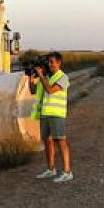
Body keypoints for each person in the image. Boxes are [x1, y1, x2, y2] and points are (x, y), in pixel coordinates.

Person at [30, 52, 72, 182]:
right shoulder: (47, 77)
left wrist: (41, 75)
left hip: (57, 114)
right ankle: (50, 169)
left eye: (52, 62)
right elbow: (33, 90)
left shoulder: (63, 77)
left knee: (61, 141)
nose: (50, 64)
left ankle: (67, 171)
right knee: (47, 142)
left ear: (59, 63)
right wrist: (31, 78)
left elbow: (50, 90)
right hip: (45, 114)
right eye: (48, 62)